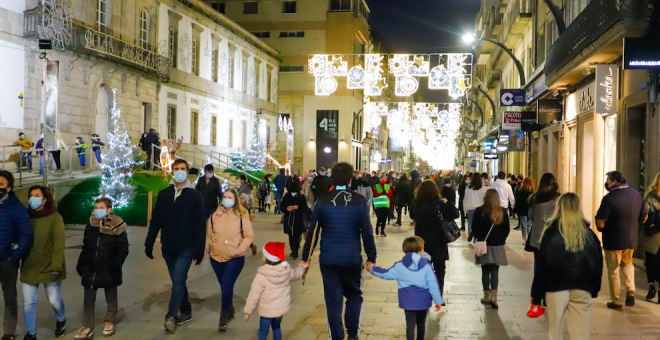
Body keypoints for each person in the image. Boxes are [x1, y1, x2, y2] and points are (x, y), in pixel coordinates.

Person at [300, 162, 377, 340]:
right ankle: (352, 335)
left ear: (332, 178)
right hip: (351, 258)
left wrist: (306, 257)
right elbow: (367, 232)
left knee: (333, 300)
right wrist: (371, 257)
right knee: (354, 296)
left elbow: (313, 232)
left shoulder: (323, 200)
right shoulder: (359, 202)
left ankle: (336, 336)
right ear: (351, 179)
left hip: (328, 258)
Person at [145, 159, 206, 333]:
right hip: (168, 247)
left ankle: (171, 315)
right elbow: (156, 220)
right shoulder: (164, 194)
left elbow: (201, 224)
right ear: (172, 172)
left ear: (187, 172)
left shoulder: (195, 196)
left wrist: (200, 247)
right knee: (178, 281)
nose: (180, 171)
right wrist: (150, 241)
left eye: (183, 169)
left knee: (178, 280)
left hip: (186, 247)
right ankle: (186, 311)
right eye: (177, 169)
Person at [531, 193, 603, 340]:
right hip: (582, 287)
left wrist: (537, 294)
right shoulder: (589, 234)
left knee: (555, 331)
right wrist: (594, 288)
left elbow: (542, 264)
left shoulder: (550, 233)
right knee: (581, 333)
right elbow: (598, 263)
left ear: (559, 208)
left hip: (556, 287)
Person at [366, 236, 443, 340]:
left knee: (410, 325)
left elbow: (385, 274)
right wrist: (438, 301)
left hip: (408, 302)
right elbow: (433, 285)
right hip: (423, 301)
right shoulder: (427, 266)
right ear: (420, 249)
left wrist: (372, 268)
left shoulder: (399, 266)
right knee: (421, 323)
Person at [74, 198, 129, 339]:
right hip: (91, 267)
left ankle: (110, 321)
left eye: (101, 207)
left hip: (109, 267)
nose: (97, 210)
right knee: (88, 299)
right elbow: (85, 246)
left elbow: (123, 248)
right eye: (96, 207)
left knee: (111, 296)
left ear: (109, 209)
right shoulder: (91, 225)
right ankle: (87, 326)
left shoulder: (117, 225)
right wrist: (81, 263)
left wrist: (116, 263)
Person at [596, 171, 648, 309]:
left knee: (614, 271)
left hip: (613, 239)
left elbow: (601, 220)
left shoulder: (609, 198)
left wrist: (601, 228)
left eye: (608, 180)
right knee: (628, 264)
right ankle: (630, 290)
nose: (607, 183)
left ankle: (616, 300)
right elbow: (644, 215)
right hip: (631, 239)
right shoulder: (637, 195)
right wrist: (636, 225)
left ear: (615, 182)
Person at [22, 185, 67, 339]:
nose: (33, 198)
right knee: (28, 302)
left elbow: (59, 244)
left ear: (44, 199)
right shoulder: (25, 218)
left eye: (37, 195)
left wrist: (56, 265)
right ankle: (30, 333)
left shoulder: (55, 218)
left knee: (54, 299)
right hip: (29, 265)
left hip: (49, 265)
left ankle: (61, 319)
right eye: (31, 195)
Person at [207, 188, 254, 331]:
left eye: (230, 197)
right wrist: (204, 252)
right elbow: (208, 236)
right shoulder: (214, 216)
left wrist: (239, 250)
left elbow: (249, 236)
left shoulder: (241, 216)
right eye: (225, 196)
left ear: (235, 200)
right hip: (216, 258)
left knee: (227, 285)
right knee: (224, 286)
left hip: (234, 258)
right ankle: (230, 307)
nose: (226, 199)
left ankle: (224, 316)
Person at [244, 242, 307, 340]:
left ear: (266, 258)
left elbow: (254, 294)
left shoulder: (261, 275)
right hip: (280, 308)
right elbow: (297, 274)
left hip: (266, 310)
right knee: (277, 328)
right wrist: (302, 267)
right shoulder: (286, 270)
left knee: (263, 330)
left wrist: (248, 311)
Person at [411, 180, 459, 301]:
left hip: (421, 241)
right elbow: (455, 214)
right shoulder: (439, 203)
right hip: (438, 241)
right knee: (439, 269)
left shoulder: (417, 203)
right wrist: (448, 203)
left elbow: (412, 215)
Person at [0, 170, 33, 340]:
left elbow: (26, 235)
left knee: (9, 298)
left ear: (9, 188)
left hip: (6, 261)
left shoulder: (16, 208)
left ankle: (8, 332)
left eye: (1, 185)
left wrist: (13, 257)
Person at [473, 189, 510, 309]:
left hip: (484, 244)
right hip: (498, 245)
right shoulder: (502, 212)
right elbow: (507, 229)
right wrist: (501, 239)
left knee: (485, 270)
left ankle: (487, 296)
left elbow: (474, 228)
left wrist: (480, 237)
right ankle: (494, 297)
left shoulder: (479, 211)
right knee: (495, 270)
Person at [528, 173, 561, 252]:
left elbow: (530, 215)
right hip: (554, 233)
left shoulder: (534, 197)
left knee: (538, 260)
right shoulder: (558, 198)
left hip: (537, 233)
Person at [280, 177, 309, 260]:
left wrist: (297, 207)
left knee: (296, 235)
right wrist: (287, 208)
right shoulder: (287, 196)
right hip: (289, 219)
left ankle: (295, 250)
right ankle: (293, 250)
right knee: (291, 235)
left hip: (298, 219)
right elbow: (282, 207)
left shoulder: (301, 196)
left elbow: (304, 208)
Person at [641, 173, 660, 302]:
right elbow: (645, 214)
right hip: (653, 233)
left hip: (652, 232)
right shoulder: (651, 195)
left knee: (653, 262)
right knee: (651, 261)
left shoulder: (650, 195)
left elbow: (645, 214)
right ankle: (654, 287)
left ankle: (653, 288)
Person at [463, 172, 488, 239]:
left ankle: (470, 233)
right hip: (480, 208)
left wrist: (465, 208)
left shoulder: (468, 187)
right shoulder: (483, 188)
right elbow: (485, 198)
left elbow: (465, 198)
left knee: (470, 221)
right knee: (479, 223)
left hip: (470, 207)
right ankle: (476, 238)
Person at [514, 177, 535, 241]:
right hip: (530, 210)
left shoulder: (521, 191)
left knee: (524, 225)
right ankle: (529, 237)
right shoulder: (533, 191)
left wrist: (515, 210)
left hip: (522, 210)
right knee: (529, 224)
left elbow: (518, 201)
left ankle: (525, 237)